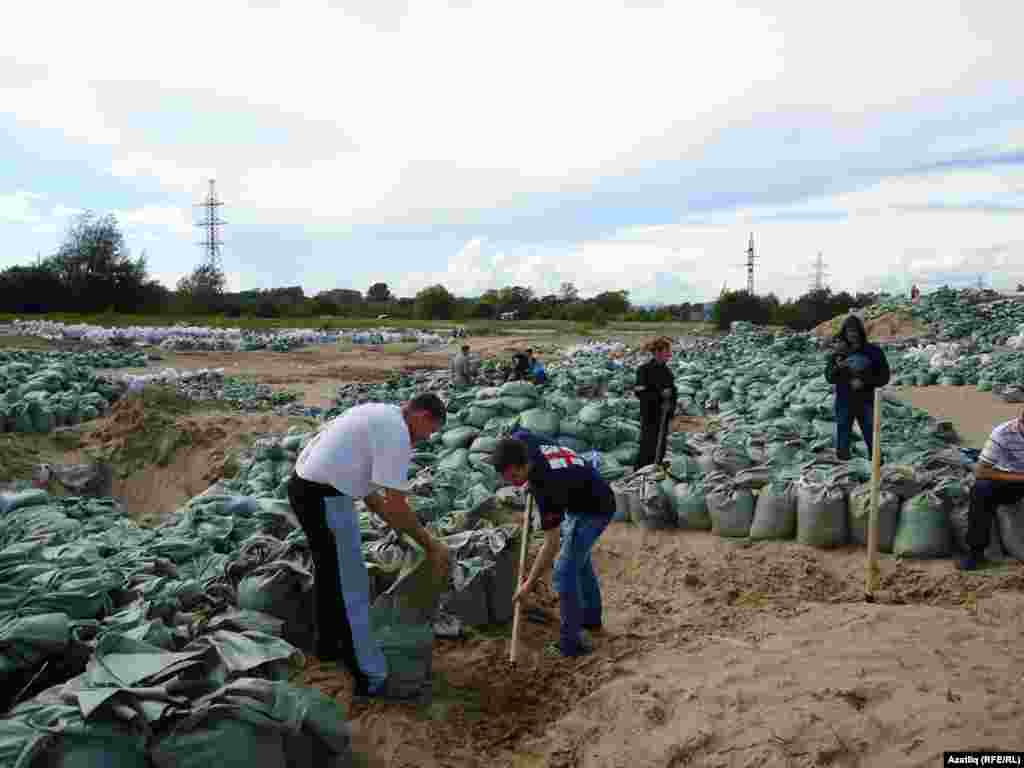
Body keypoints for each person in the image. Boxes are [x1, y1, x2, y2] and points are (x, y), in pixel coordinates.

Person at [287, 394, 450, 699]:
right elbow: (398, 505)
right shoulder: (397, 433)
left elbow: (372, 496)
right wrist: (431, 545)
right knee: (352, 586)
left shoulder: (382, 413)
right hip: (324, 497)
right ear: (423, 416)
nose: (424, 440)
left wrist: (400, 529)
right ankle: (370, 677)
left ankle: (328, 646)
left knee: (330, 573)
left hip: (306, 489)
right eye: (428, 432)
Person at [492, 429, 615, 657]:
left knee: (564, 570)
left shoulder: (546, 487)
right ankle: (591, 619)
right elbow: (520, 432)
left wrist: (528, 585)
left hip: (594, 510)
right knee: (579, 560)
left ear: (523, 465)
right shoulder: (522, 442)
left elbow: (551, 544)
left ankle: (572, 644)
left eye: (513, 478)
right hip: (585, 490)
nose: (512, 484)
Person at [957, 413, 1024, 571]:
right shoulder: (1003, 433)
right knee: (981, 489)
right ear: (1021, 422)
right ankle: (976, 553)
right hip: (1010, 481)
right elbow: (981, 471)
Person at [824, 315, 891, 460]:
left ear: (861, 332)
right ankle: (844, 470)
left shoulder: (873, 352)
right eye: (849, 332)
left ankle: (876, 466)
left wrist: (865, 382)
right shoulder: (838, 353)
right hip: (844, 401)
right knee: (843, 436)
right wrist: (838, 368)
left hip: (866, 400)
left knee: (871, 434)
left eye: (855, 331)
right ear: (844, 333)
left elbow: (884, 377)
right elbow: (829, 377)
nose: (852, 335)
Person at [634, 337, 677, 468]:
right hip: (650, 414)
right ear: (657, 353)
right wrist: (659, 395)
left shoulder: (667, 372)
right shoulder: (644, 370)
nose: (669, 355)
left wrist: (670, 407)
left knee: (661, 445)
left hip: (663, 416)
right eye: (666, 352)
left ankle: (656, 466)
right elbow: (640, 391)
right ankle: (641, 470)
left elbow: (673, 392)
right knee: (648, 444)